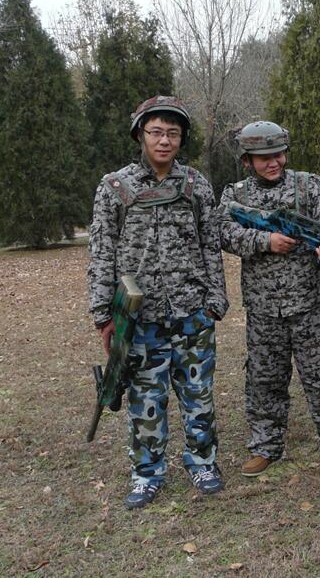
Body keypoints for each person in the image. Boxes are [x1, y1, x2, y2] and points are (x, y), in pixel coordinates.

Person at [87, 95, 228, 509]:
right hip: (140, 317)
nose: (164, 141)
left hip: (191, 312)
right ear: (140, 135)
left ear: (181, 139)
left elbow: (211, 244)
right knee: (145, 399)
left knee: (198, 394)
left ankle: (203, 462)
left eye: (173, 133)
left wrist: (215, 300)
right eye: (156, 132)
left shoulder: (196, 185)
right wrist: (102, 315)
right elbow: (101, 251)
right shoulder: (115, 187)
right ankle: (147, 473)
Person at [218, 121, 320, 477]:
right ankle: (266, 445)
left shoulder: (308, 184)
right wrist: (265, 241)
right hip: (263, 307)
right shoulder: (236, 194)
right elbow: (223, 231)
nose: (273, 162)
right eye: (264, 157)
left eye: (278, 154)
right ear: (247, 160)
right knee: (264, 379)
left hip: (311, 303)